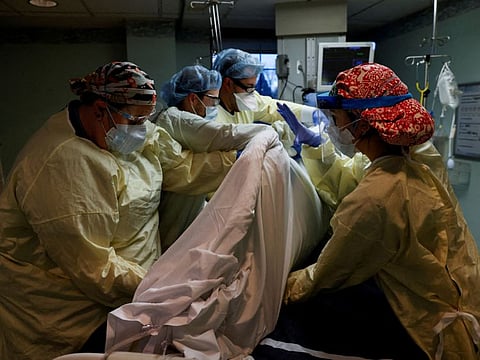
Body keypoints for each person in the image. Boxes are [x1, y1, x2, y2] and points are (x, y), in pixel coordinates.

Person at [0, 61, 241, 360]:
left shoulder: (122, 131)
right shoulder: (61, 166)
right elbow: (96, 269)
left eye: (146, 119)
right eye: (136, 120)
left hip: (132, 288)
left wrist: (238, 160)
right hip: (70, 316)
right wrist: (165, 284)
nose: (142, 129)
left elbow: (180, 167)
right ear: (100, 109)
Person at [261, 63, 480, 359]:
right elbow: (357, 177)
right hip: (461, 291)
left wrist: (277, 288)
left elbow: (330, 270)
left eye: (337, 119)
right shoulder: (417, 154)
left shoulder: (377, 199)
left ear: (363, 124)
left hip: (429, 326)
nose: (334, 128)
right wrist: (317, 147)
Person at [156, 64, 273, 250]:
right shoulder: (175, 118)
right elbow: (221, 135)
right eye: (213, 100)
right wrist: (270, 133)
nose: (215, 107)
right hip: (172, 227)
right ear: (194, 99)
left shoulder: (182, 120)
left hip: (185, 216)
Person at [212, 48, 328, 159]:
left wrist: (311, 113)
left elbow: (272, 107)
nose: (252, 94)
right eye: (249, 87)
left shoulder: (242, 99)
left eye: (254, 87)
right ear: (228, 83)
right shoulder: (212, 117)